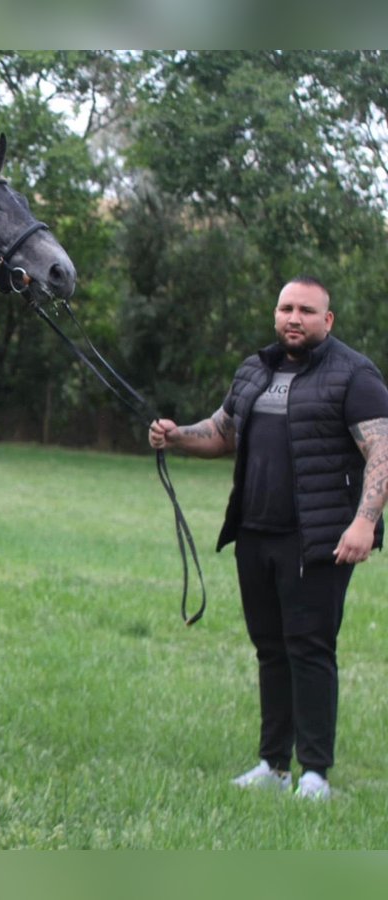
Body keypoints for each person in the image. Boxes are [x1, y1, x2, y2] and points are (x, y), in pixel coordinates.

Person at [149, 276, 388, 801]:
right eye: (286, 308)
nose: (293, 318)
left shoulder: (355, 374)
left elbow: (382, 451)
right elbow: (223, 432)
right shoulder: (255, 370)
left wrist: (364, 522)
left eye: (306, 310)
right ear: (276, 314)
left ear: (327, 320)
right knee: (270, 650)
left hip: (318, 538)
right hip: (255, 533)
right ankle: (273, 766)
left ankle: (315, 775)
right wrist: (177, 435)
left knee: (311, 650)